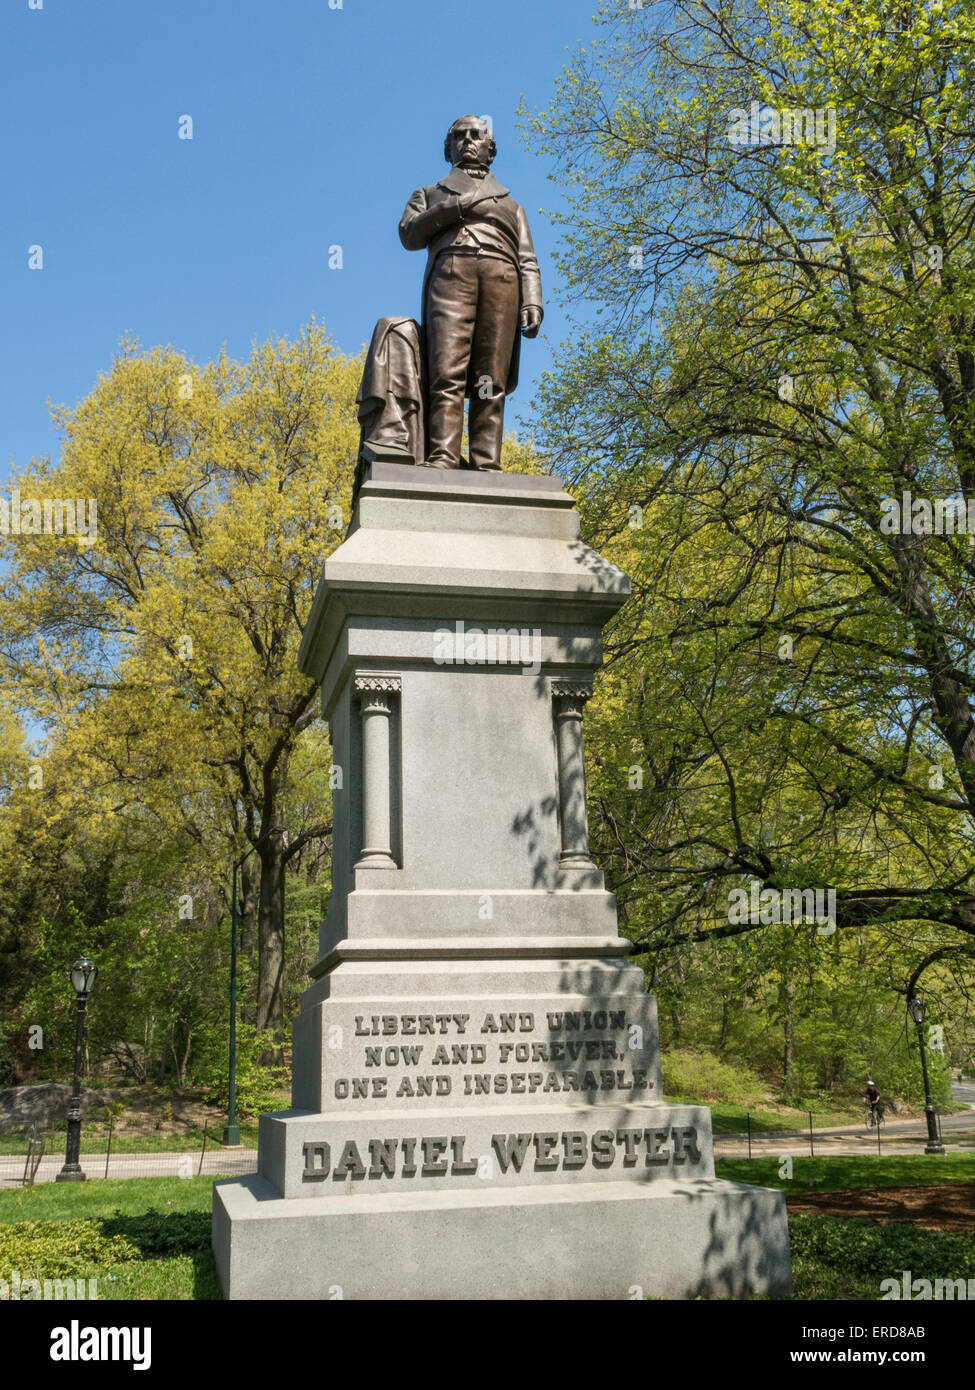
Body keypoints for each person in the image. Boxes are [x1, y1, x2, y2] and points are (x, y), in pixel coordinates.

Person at [398, 115, 543, 471]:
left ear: (490, 150)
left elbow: (527, 257)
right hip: (452, 275)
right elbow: (408, 235)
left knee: (490, 378)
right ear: (448, 148)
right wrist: (452, 209)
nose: (467, 141)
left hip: (502, 281)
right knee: (446, 370)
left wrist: (533, 299)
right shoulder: (430, 194)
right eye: (459, 136)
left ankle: (486, 463)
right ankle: (443, 456)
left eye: (476, 135)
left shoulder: (512, 205)